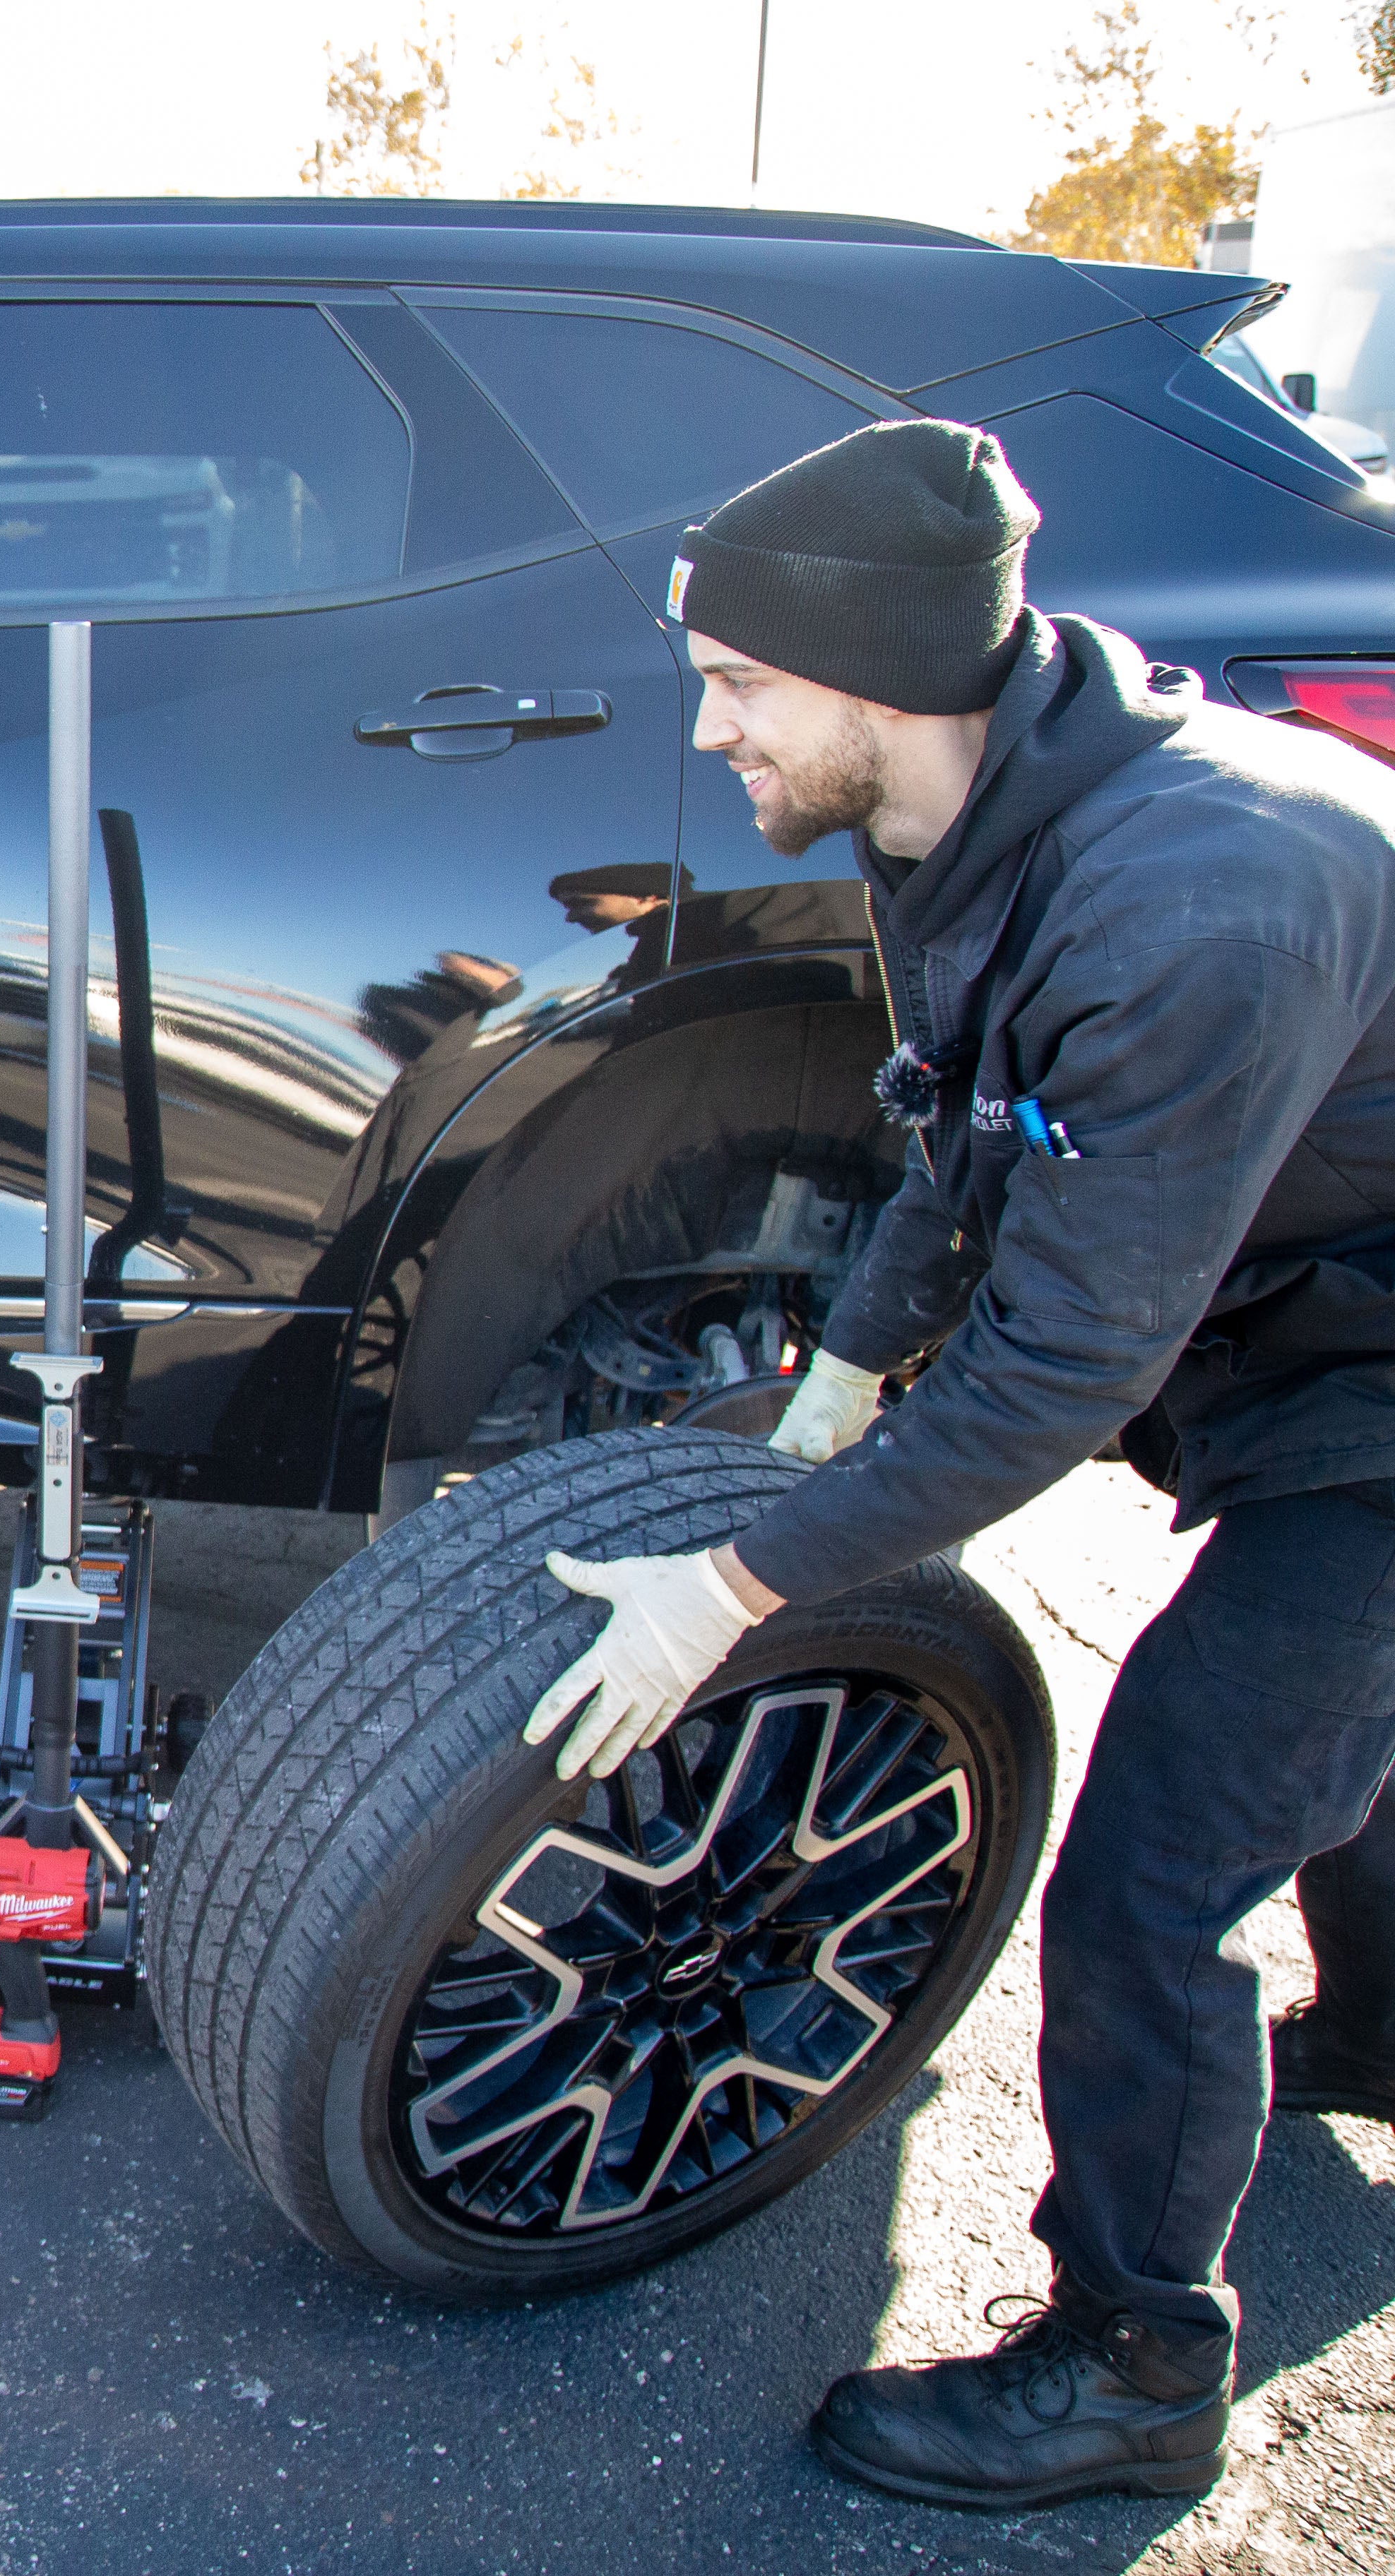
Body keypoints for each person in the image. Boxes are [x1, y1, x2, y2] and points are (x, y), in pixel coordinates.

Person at [523, 417, 1395, 2512]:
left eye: (739, 685)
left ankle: (1134, 2365)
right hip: (1332, 1307)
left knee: (1158, 1871)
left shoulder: (1198, 899)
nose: (709, 728)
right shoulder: (970, 812)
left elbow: (1063, 1377)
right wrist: (844, 1370)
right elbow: (966, 1122)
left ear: (878, 673)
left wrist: (734, 1589)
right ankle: (1380, 2033)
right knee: (1335, 1713)